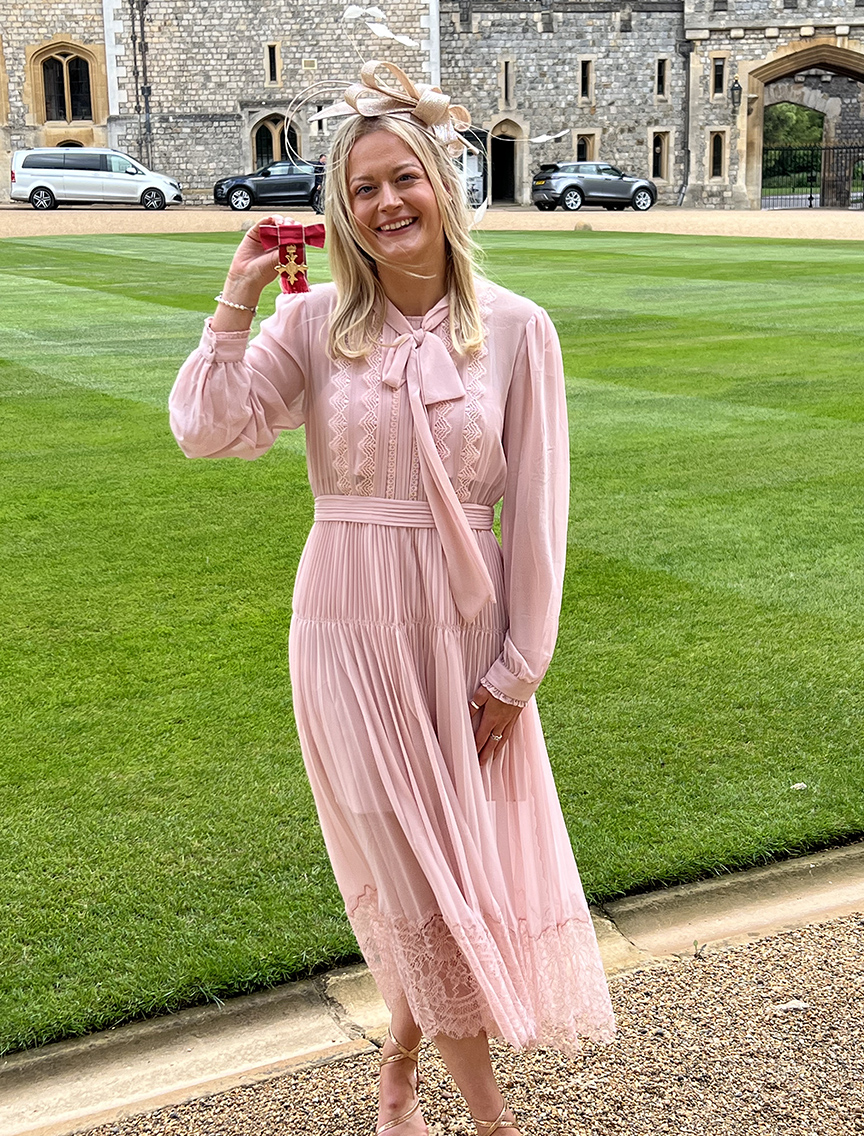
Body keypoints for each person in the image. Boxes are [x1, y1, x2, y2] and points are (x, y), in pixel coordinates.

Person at [169, 62, 615, 1136]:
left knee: (450, 869)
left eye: (401, 178)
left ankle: (403, 1059)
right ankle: (491, 1121)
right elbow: (209, 428)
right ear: (340, 212)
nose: (385, 204)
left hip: (460, 635)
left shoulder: (518, 330)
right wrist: (236, 297)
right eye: (361, 189)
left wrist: (521, 666)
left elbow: (539, 518)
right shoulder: (313, 325)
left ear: (442, 187)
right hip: (344, 626)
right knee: (407, 867)